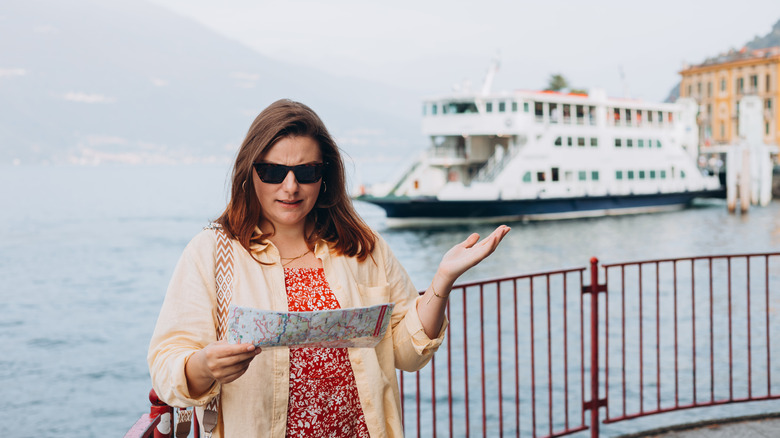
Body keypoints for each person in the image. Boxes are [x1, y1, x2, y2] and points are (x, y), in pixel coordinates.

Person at [148, 99, 510, 437]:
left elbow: (406, 351)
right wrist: (203, 368)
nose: (290, 187)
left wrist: (442, 281)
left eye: (306, 171)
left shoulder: (360, 246)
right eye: (273, 171)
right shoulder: (211, 252)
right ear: (250, 172)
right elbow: (166, 365)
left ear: (325, 176)